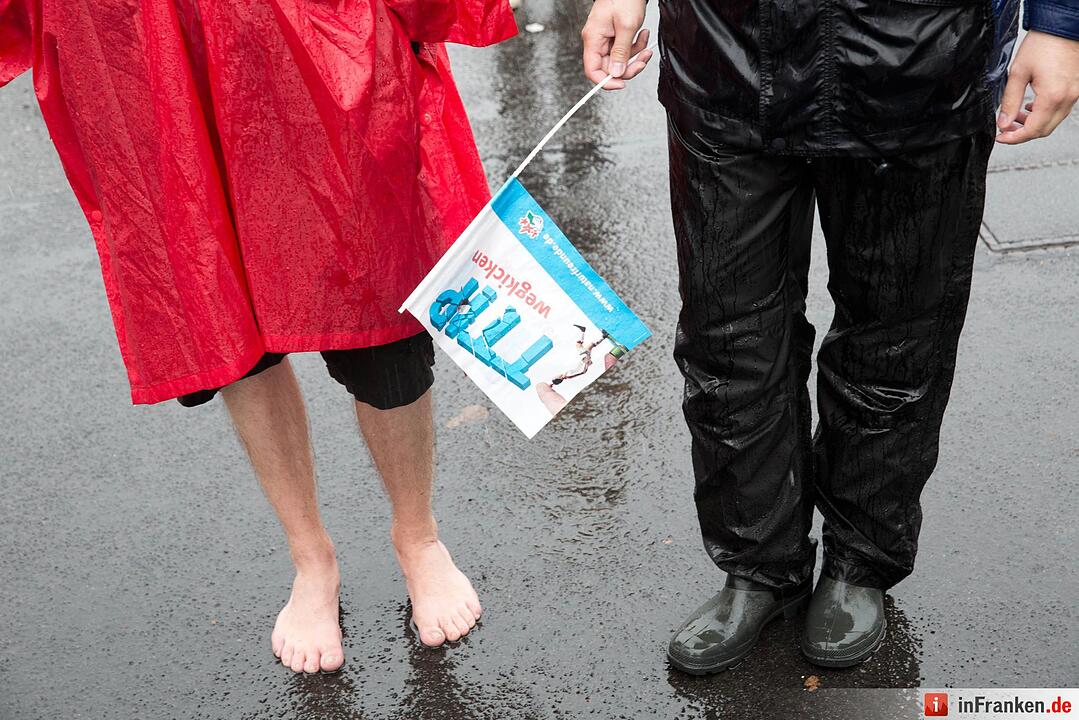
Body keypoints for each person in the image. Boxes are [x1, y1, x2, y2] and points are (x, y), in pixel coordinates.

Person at [0, 0, 516, 673]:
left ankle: (417, 536)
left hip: (315, 36)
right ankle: (310, 557)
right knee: (226, 310)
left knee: (376, 303)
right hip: (139, 40)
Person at [581, 0, 1079, 673]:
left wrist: (1058, 24)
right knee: (727, 337)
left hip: (922, 53)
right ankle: (758, 566)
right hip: (726, 51)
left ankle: (858, 560)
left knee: (896, 331)